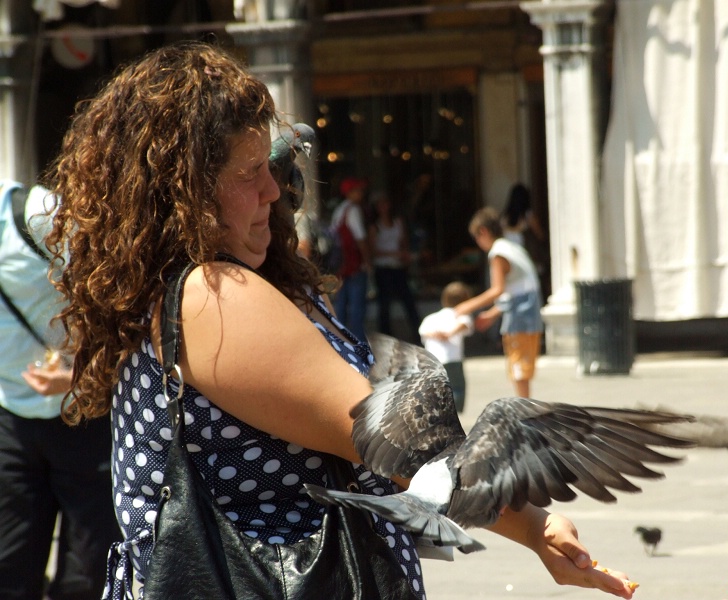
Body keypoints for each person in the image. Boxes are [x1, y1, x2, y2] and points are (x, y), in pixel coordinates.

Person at [43, 42, 636, 600]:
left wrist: (536, 529)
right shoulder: (212, 294)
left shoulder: (214, 288)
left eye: (271, 166)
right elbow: (396, 448)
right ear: (184, 192)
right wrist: (536, 521)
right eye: (249, 173)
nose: (274, 190)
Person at [0, 180, 120, 600]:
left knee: (87, 572)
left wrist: (78, 375)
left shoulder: (35, 214)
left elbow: (115, 296)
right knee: (9, 567)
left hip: (79, 412)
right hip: (9, 418)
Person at [455, 207, 544, 399]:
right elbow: (516, 290)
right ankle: (524, 409)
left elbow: (498, 290)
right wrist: (493, 313)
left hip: (520, 317)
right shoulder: (513, 247)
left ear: (483, 232)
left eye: (477, 238)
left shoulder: (498, 253)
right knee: (522, 366)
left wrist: (466, 306)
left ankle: (524, 413)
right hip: (529, 313)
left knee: (518, 367)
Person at [368, 191, 421, 344]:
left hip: (398, 267)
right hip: (383, 268)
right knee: (384, 304)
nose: (383, 207)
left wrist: (404, 256)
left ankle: (417, 335)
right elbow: (373, 251)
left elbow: (404, 242)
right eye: (380, 205)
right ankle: (385, 338)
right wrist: (395, 253)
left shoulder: (398, 222)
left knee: (408, 302)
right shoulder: (375, 227)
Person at [418, 281, 474, 413]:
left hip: (432, 359)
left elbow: (423, 331)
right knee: (457, 386)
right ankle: (454, 410)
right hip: (452, 358)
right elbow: (465, 324)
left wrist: (435, 334)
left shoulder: (431, 318)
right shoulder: (461, 316)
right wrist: (450, 333)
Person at [330, 176, 371, 342]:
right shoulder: (353, 210)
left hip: (342, 265)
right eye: (358, 190)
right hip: (354, 265)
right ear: (350, 193)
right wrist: (367, 260)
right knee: (356, 307)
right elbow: (360, 238)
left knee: (341, 305)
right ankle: (358, 343)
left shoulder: (339, 210)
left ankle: (340, 342)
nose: (361, 193)